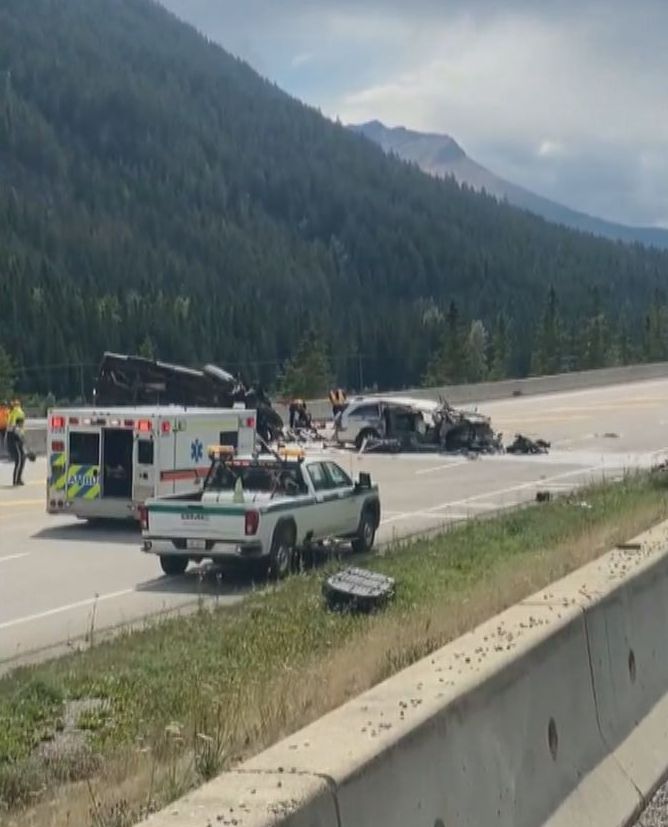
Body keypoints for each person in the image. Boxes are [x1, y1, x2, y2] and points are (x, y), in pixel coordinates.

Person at [7, 413, 26, 486]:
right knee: (18, 463)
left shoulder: (16, 429)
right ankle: (16, 480)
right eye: (22, 423)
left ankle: (18, 479)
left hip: (18, 448)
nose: (23, 424)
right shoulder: (17, 429)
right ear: (19, 423)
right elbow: (21, 440)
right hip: (16, 448)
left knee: (21, 462)